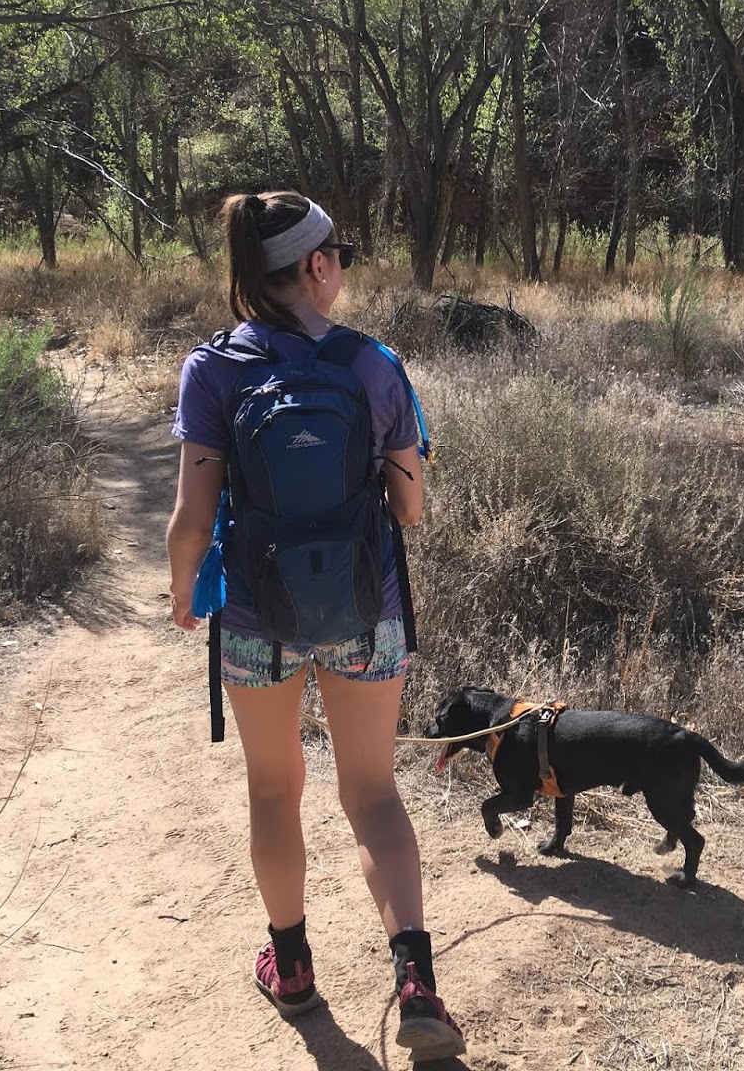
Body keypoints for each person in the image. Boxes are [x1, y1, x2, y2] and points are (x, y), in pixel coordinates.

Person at [164, 190, 464, 1060]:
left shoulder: (211, 369)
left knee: (272, 789)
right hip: (365, 612)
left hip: (255, 617)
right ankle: (416, 982)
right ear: (318, 267)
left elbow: (192, 515)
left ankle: (291, 968)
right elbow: (409, 511)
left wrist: (186, 590)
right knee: (372, 794)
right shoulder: (375, 365)